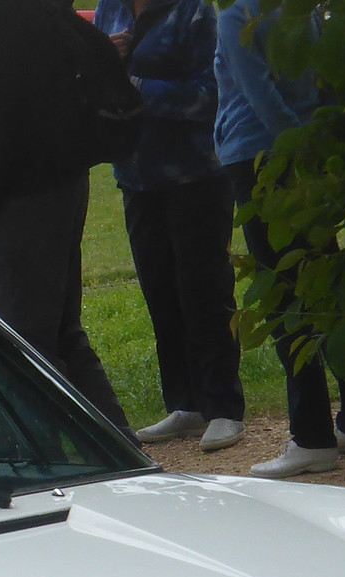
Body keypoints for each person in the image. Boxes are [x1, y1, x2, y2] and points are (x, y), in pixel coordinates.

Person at [214, 0, 345, 478]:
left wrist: (291, 147)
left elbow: (256, 92)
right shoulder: (302, 12)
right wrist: (315, 149)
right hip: (307, 156)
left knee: (285, 295)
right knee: (325, 285)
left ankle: (311, 436)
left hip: (258, 157)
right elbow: (327, 86)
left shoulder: (236, 16)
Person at [0, 0, 132, 432]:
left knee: (18, 343)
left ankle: (47, 462)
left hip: (21, 193)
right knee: (59, 330)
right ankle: (117, 448)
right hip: (61, 181)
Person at [97, 0, 246, 452]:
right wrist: (103, 58)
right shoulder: (111, 8)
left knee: (203, 291)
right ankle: (186, 403)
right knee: (159, 289)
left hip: (196, 174)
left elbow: (210, 93)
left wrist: (136, 84)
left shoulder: (195, 12)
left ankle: (223, 406)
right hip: (136, 176)